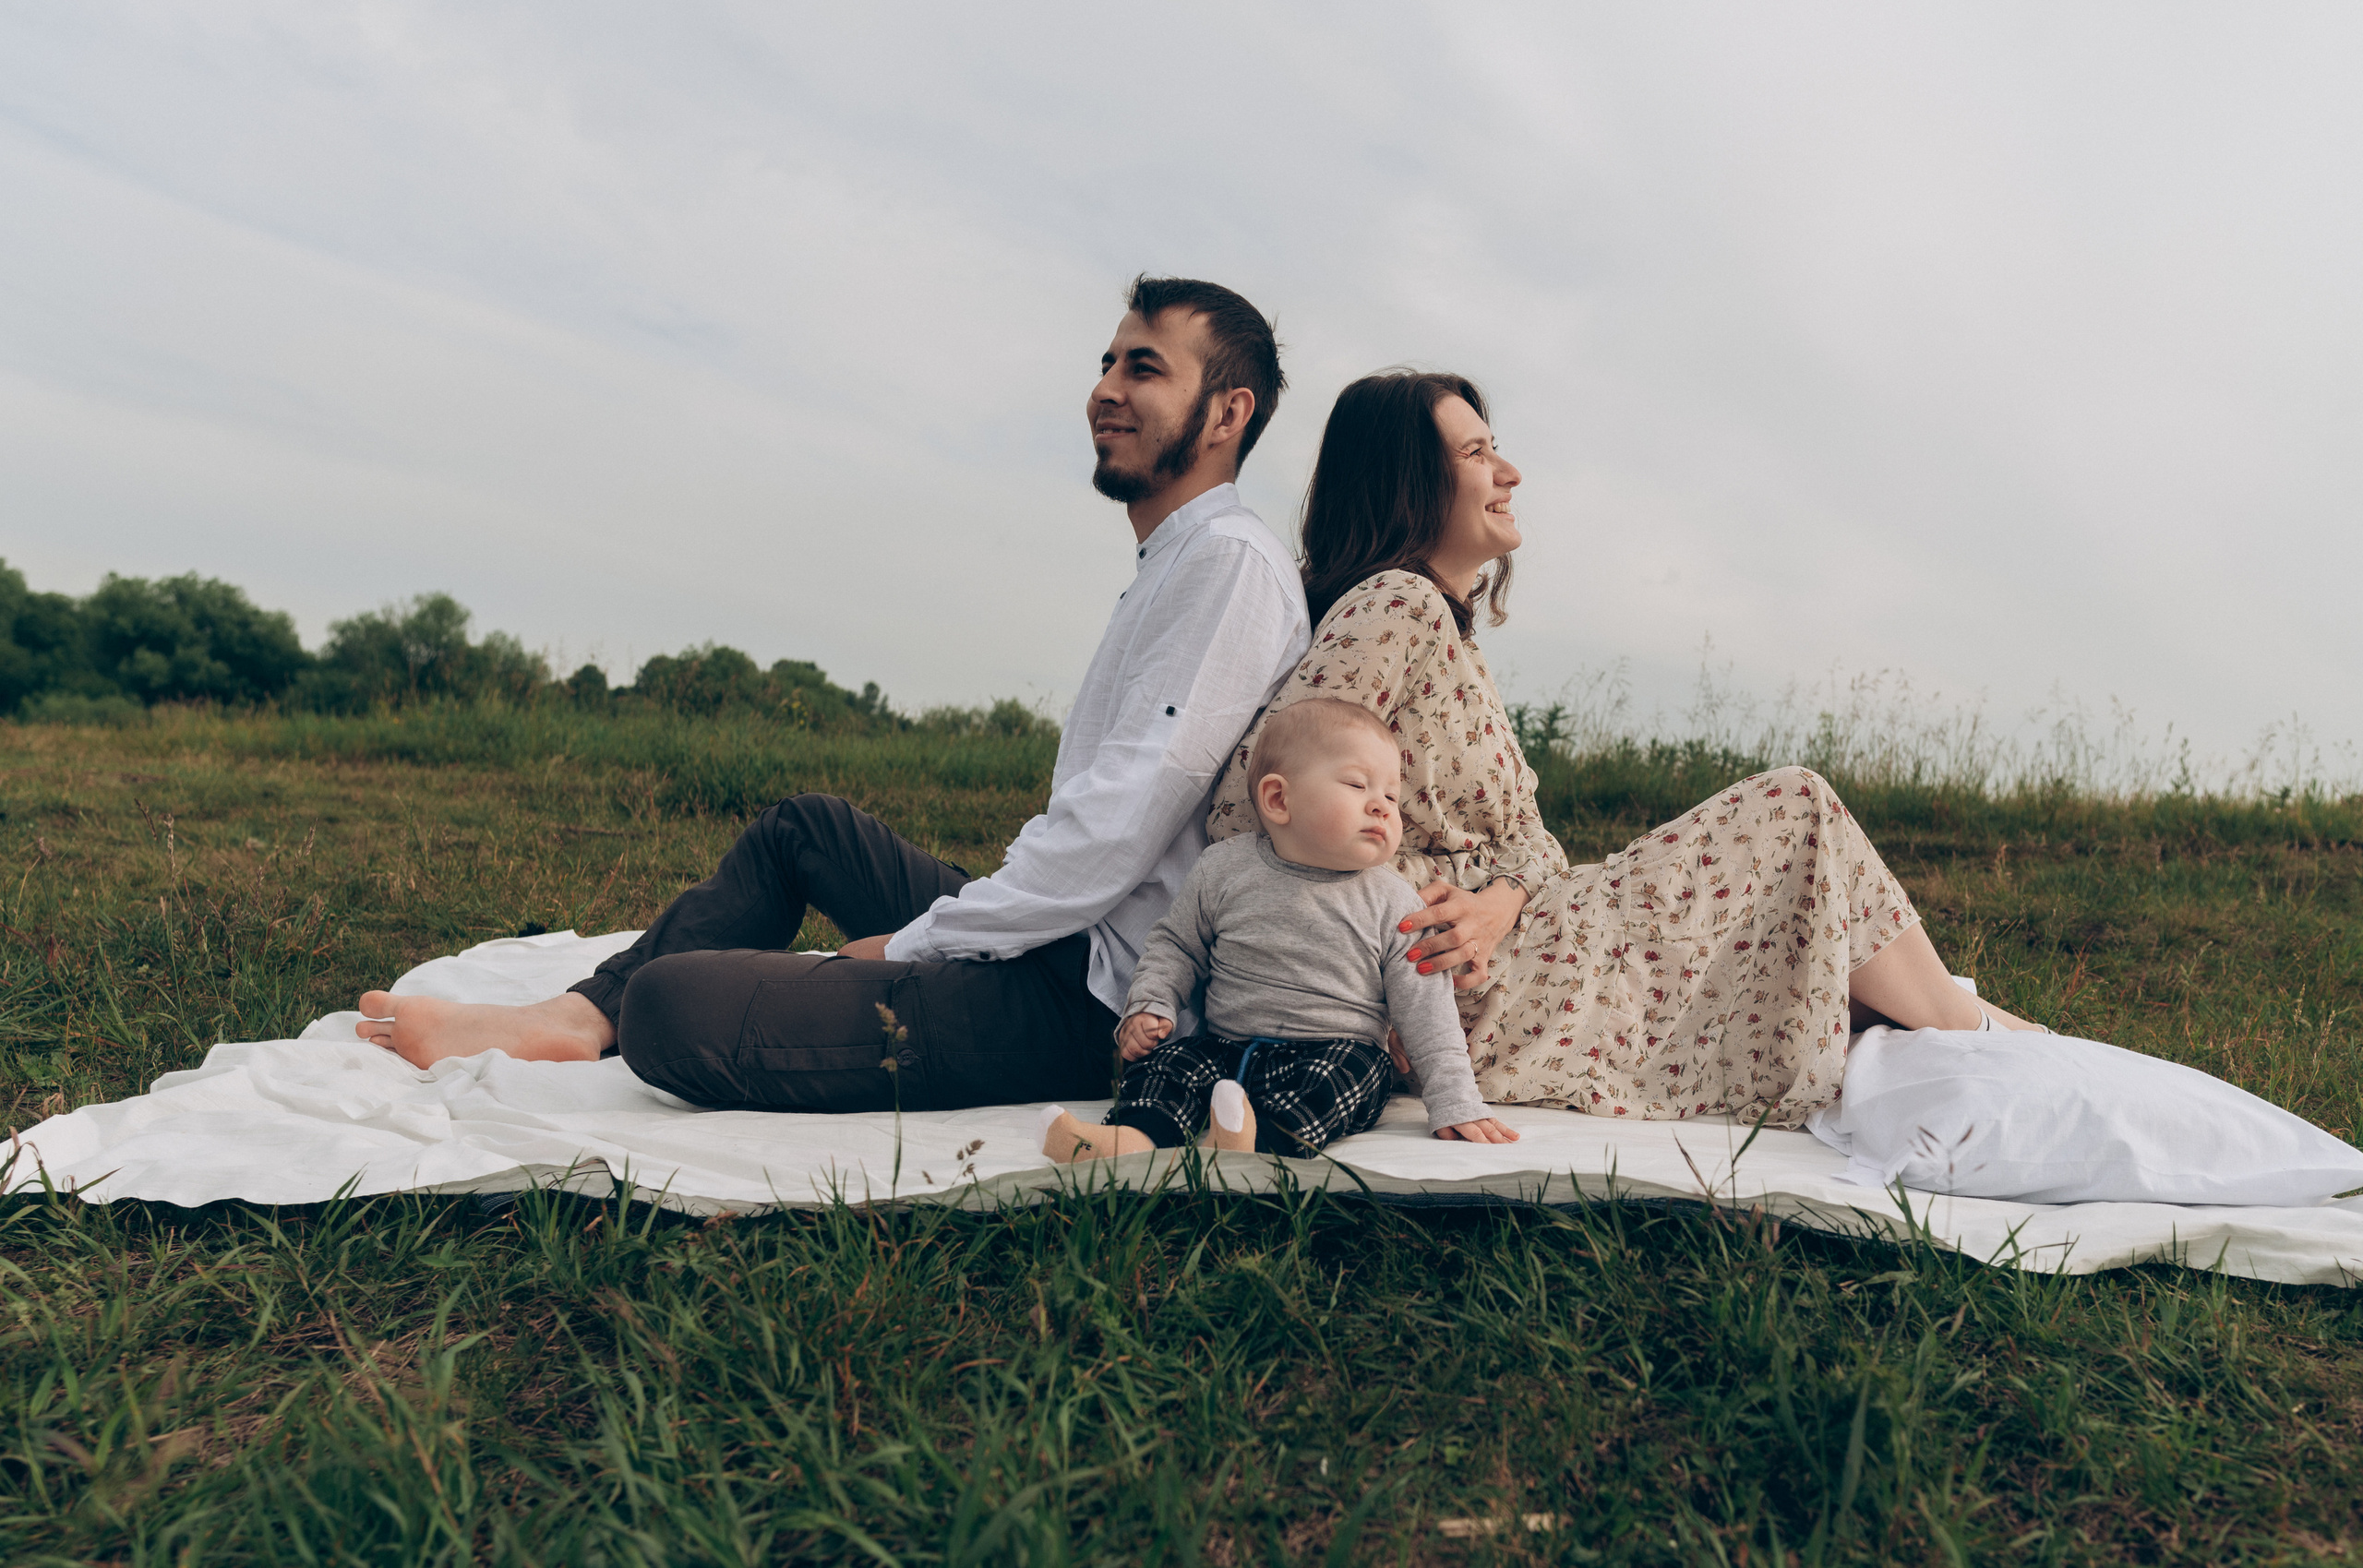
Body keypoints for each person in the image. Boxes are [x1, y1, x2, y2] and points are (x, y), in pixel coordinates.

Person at [354, 276, 1313, 1114]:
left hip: (1098, 1000)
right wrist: (952, 929)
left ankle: (625, 1009)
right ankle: (573, 1017)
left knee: (673, 1008)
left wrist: (922, 942)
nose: (1104, 389)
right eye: (1106, 360)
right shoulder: (1177, 558)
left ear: (1226, 414)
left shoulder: (1226, 565)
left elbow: (1116, 830)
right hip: (1061, 938)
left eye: (1143, 368)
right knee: (803, 831)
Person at [1204, 370, 2045, 1130]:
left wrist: (1501, 894)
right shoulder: (1393, 606)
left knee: (1808, 943)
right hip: (1472, 986)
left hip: (1524, 933)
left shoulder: (1447, 633)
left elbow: (1533, 838)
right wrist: (1398, 906)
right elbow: (1255, 803)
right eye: (1476, 453)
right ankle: (1997, 1038)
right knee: (1793, 808)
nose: (1509, 473)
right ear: (1410, 482)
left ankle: (1999, 1034)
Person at [1039, 698, 1520, 1163]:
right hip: (1226, 1048)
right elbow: (1177, 946)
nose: (1382, 807)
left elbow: (1427, 1014)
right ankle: (1131, 1136)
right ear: (1278, 799)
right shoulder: (1224, 869)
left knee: (1351, 1077)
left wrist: (1455, 1099)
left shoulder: (1394, 900)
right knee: (1170, 1063)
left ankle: (1252, 1139)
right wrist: (1152, 1003)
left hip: (1333, 1051)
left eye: (1392, 796)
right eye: (1357, 785)